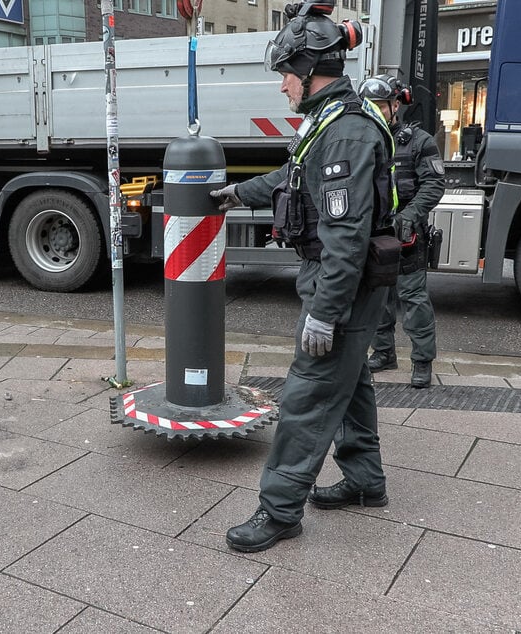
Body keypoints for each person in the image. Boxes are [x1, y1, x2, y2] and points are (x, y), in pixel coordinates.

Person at [210, 1, 396, 553]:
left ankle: (280, 509)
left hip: (341, 286)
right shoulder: (329, 124)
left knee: (308, 396)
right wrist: (237, 194)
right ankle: (365, 481)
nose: (282, 86)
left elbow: (347, 240)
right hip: (344, 283)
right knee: (351, 383)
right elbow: (292, 177)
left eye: (286, 74)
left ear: (312, 70)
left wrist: (325, 312)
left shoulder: (345, 134)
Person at [360, 74, 445, 388]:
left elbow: (434, 184)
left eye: (381, 105)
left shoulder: (419, 141)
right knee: (378, 297)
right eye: (370, 105)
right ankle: (383, 353)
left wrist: (410, 215)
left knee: (413, 298)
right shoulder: (362, 140)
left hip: (406, 232)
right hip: (373, 232)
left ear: (396, 105)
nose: (375, 111)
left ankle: (422, 360)